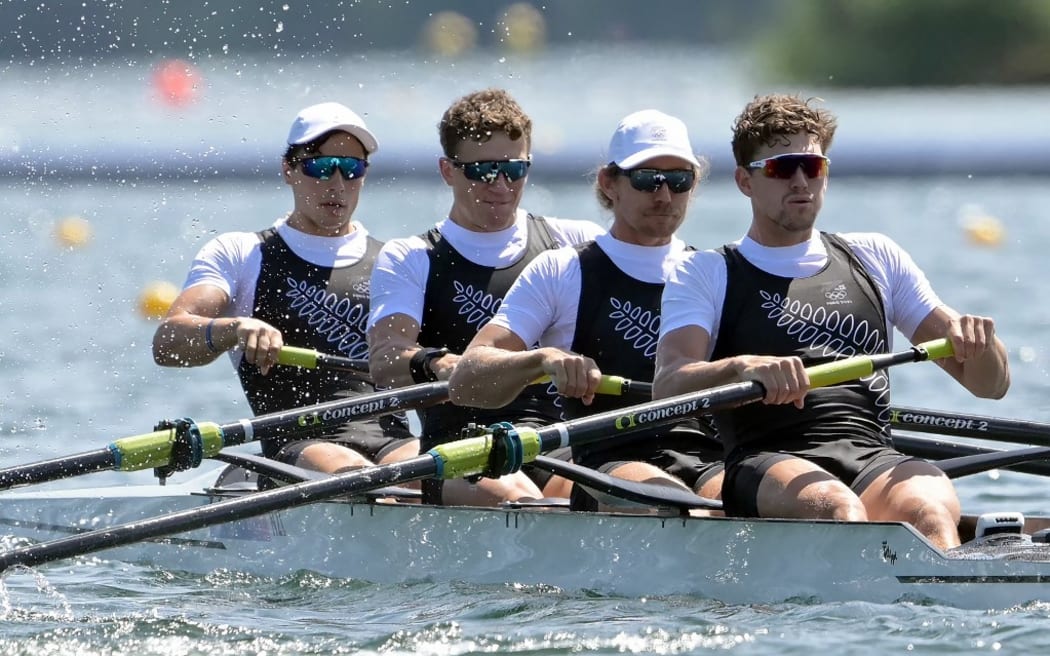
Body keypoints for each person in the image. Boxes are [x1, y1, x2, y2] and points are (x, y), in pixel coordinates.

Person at [652, 93, 1010, 550]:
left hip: (872, 453)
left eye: (813, 166)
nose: (801, 181)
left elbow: (990, 386)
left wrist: (983, 345)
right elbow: (668, 386)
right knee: (839, 510)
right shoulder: (706, 271)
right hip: (770, 459)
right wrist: (742, 367)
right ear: (745, 181)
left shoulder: (874, 256)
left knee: (930, 513)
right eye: (783, 168)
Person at [449, 109, 724, 511]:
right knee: (679, 508)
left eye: (679, 181)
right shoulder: (562, 270)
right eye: (647, 180)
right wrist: (542, 359)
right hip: (604, 454)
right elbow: (466, 379)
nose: (664, 196)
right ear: (609, 183)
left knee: (745, 503)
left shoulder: (713, 271)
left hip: (705, 453)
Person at [367, 88, 605, 506]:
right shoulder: (414, 257)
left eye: (515, 169)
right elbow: (386, 361)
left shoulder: (575, 241)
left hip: (555, 439)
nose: (501, 184)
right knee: (519, 497)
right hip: (459, 446)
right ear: (447, 171)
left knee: (615, 494)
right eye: (483, 170)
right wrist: (437, 363)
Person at [153, 101, 417, 477]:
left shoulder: (397, 261)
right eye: (321, 167)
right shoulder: (242, 254)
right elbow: (168, 342)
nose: (337, 184)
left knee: (445, 478)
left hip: (395, 442)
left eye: (352, 169)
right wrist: (236, 329)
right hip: (300, 446)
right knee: (363, 478)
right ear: (289, 170)